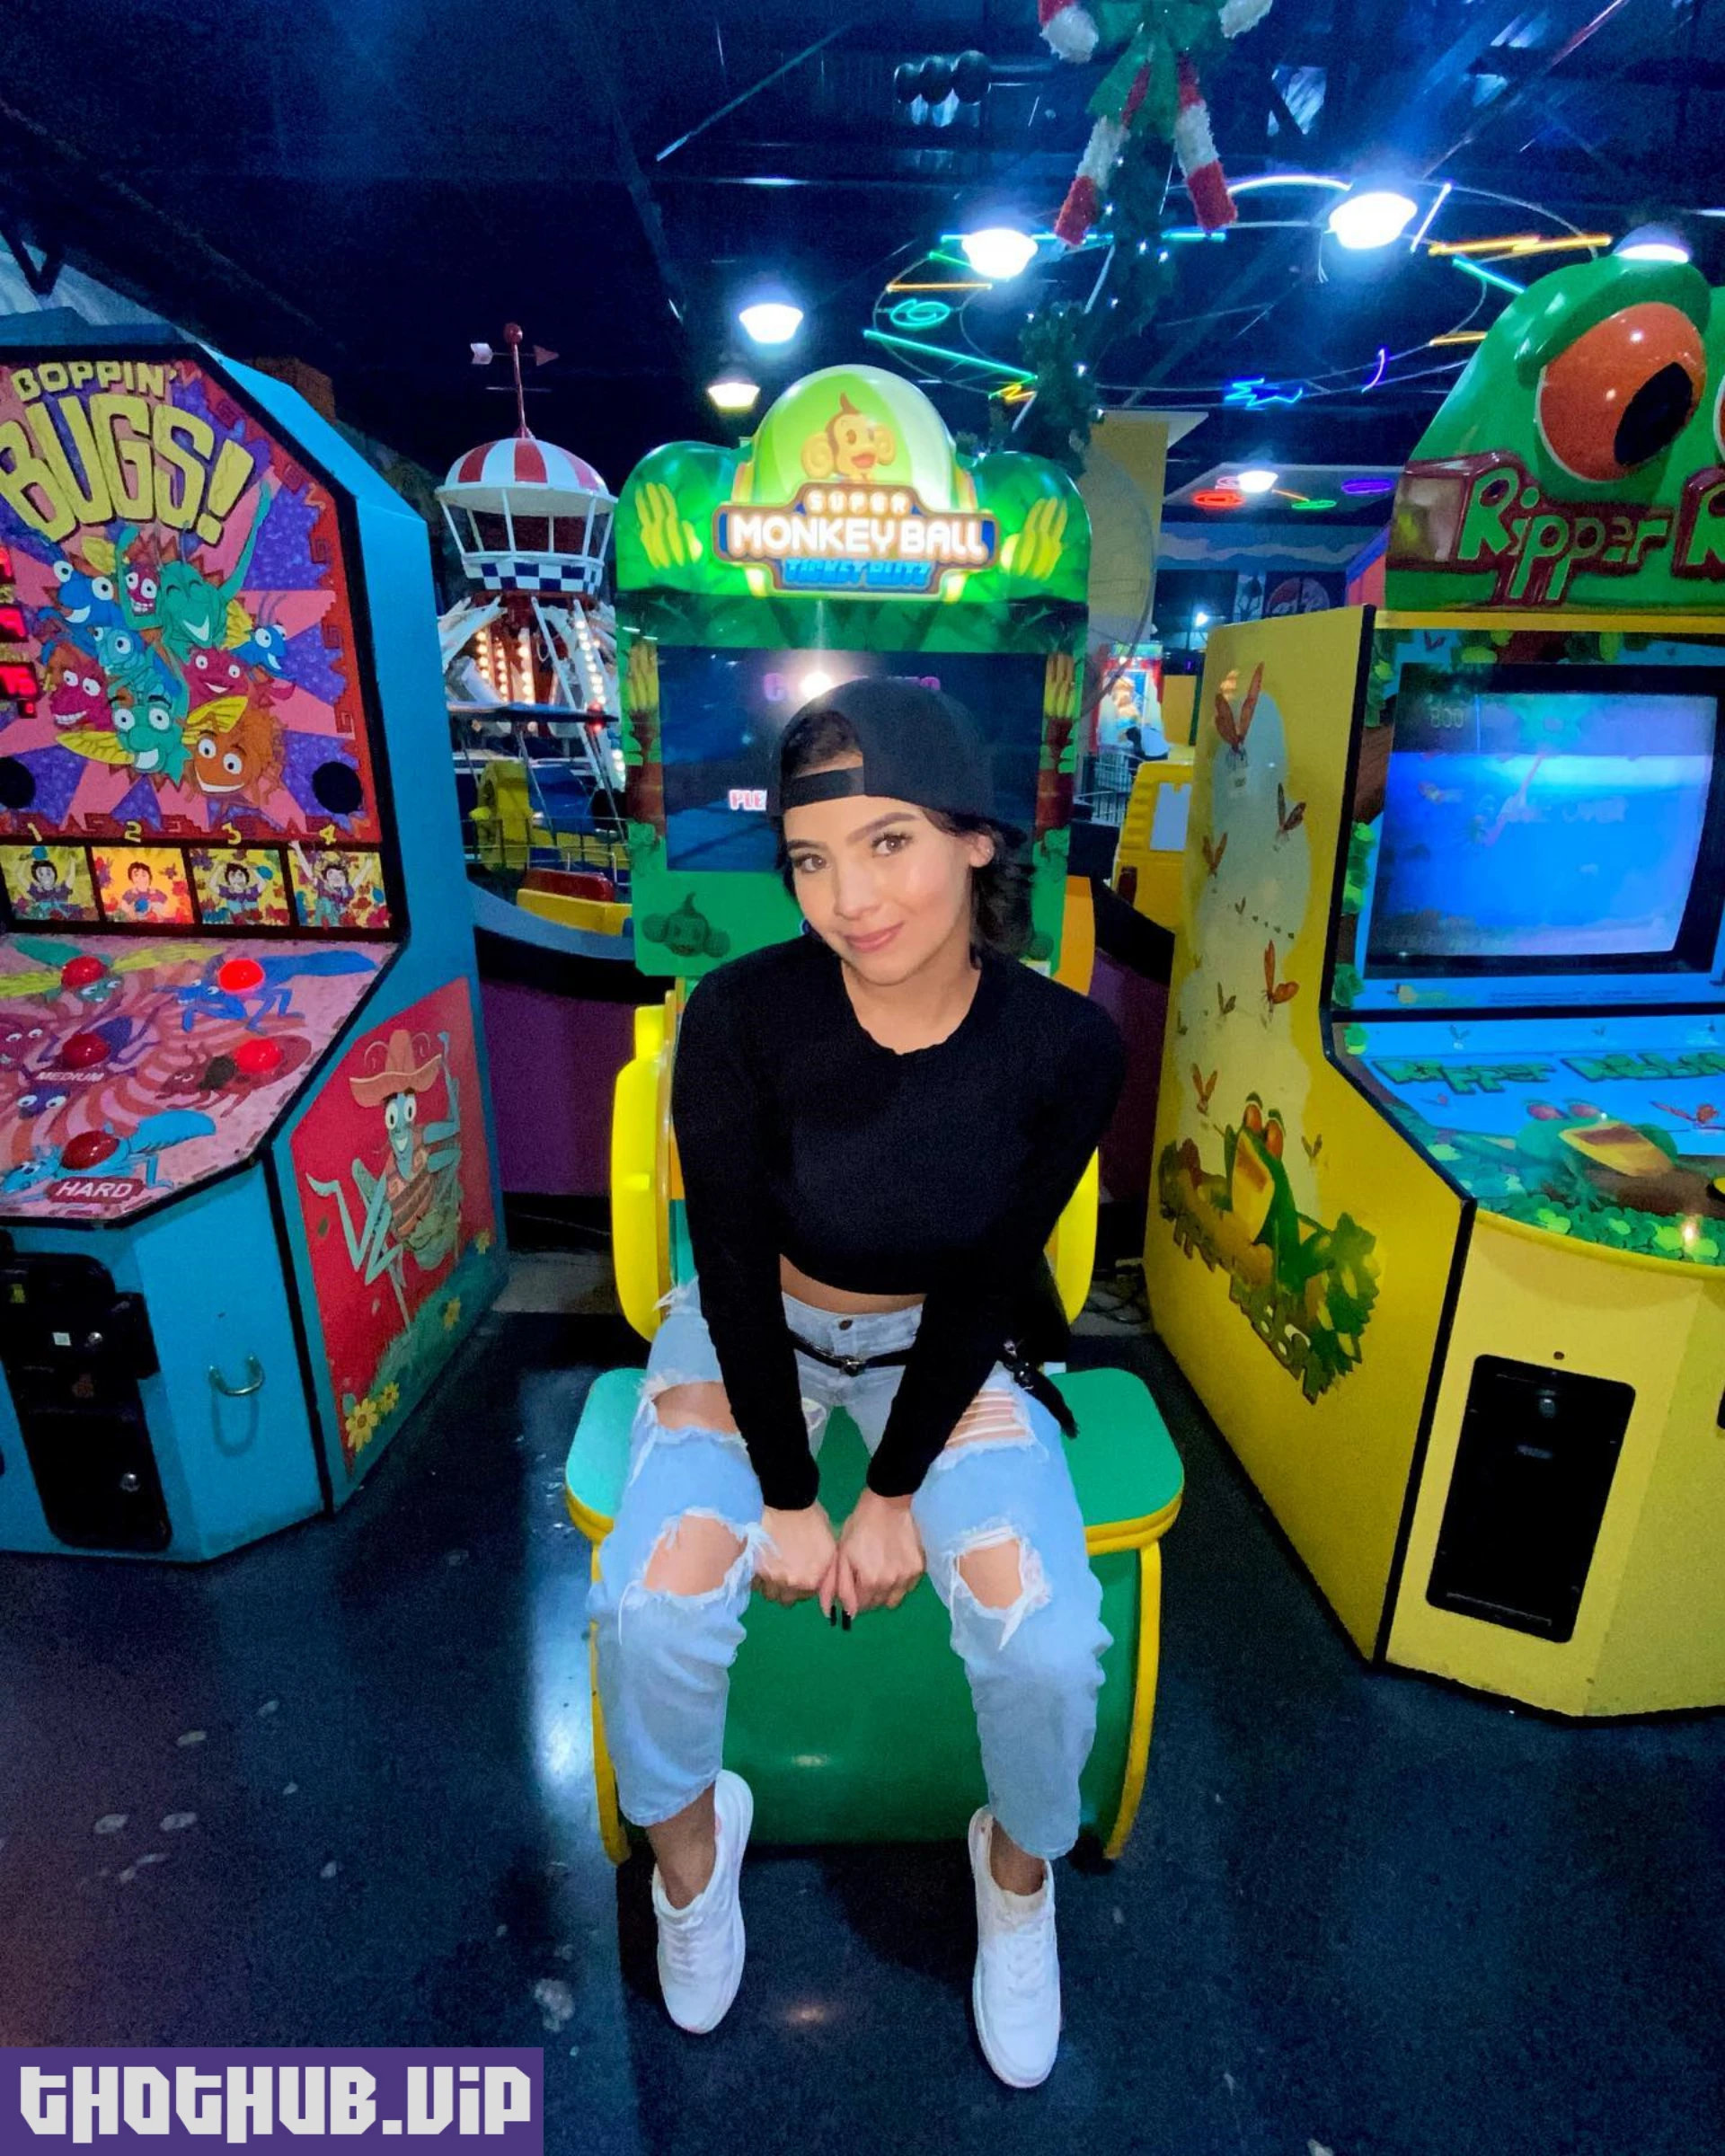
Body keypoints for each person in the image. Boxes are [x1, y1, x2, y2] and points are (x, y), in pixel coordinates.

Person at [588, 677, 1126, 2088]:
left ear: (975, 838)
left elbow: (996, 1273)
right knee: (649, 1607)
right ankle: (690, 1857)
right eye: (812, 860)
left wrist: (888, 1496)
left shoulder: (1066, 1047)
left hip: (939, 1340)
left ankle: (1016, 1873)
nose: (850, 900)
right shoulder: (738, 1014)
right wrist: (786, 1496)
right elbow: (726, 1257)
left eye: (889, 843)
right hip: (749, 1329)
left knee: (1044, 1640)